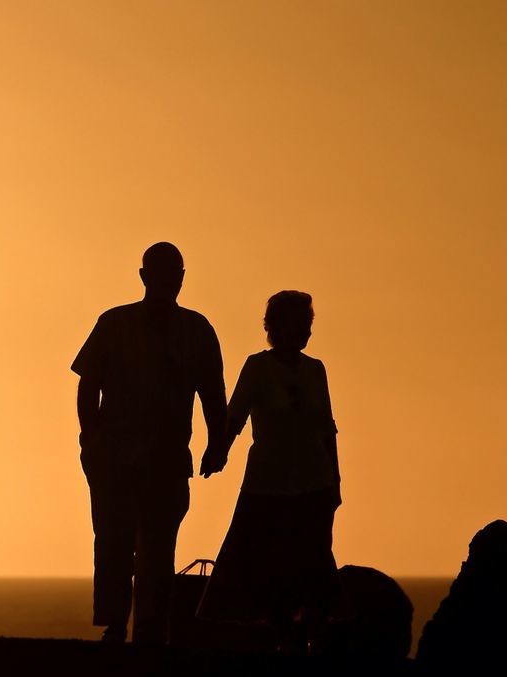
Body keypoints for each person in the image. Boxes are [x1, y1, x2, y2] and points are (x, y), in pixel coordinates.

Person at [71, 242, 229, 645]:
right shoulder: (113, 324)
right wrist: (91, 442)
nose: (166, 283)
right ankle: (113, 625)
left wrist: (218, 444)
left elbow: (213, 394)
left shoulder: (198, 330)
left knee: (158, 549)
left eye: (172, 275)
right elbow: (88, 387)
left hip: (167, 460)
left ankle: (149, 629)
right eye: (158, 275)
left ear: (181, 278)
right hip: (114, 459)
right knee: (113, 542)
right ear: (144, 277)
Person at [195, 290, 343, 654]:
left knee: (313, 560)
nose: (306, 331)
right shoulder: (258, 367)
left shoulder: (315, 369)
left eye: (308, 324)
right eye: (300, 324)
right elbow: (236, 416)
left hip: (313, 482)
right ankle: (276, 635)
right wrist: (219, 452)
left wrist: (335, 481)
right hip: (267, 482)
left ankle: (309, 636)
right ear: (277, 327)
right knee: (259, 558)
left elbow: (327, 429)